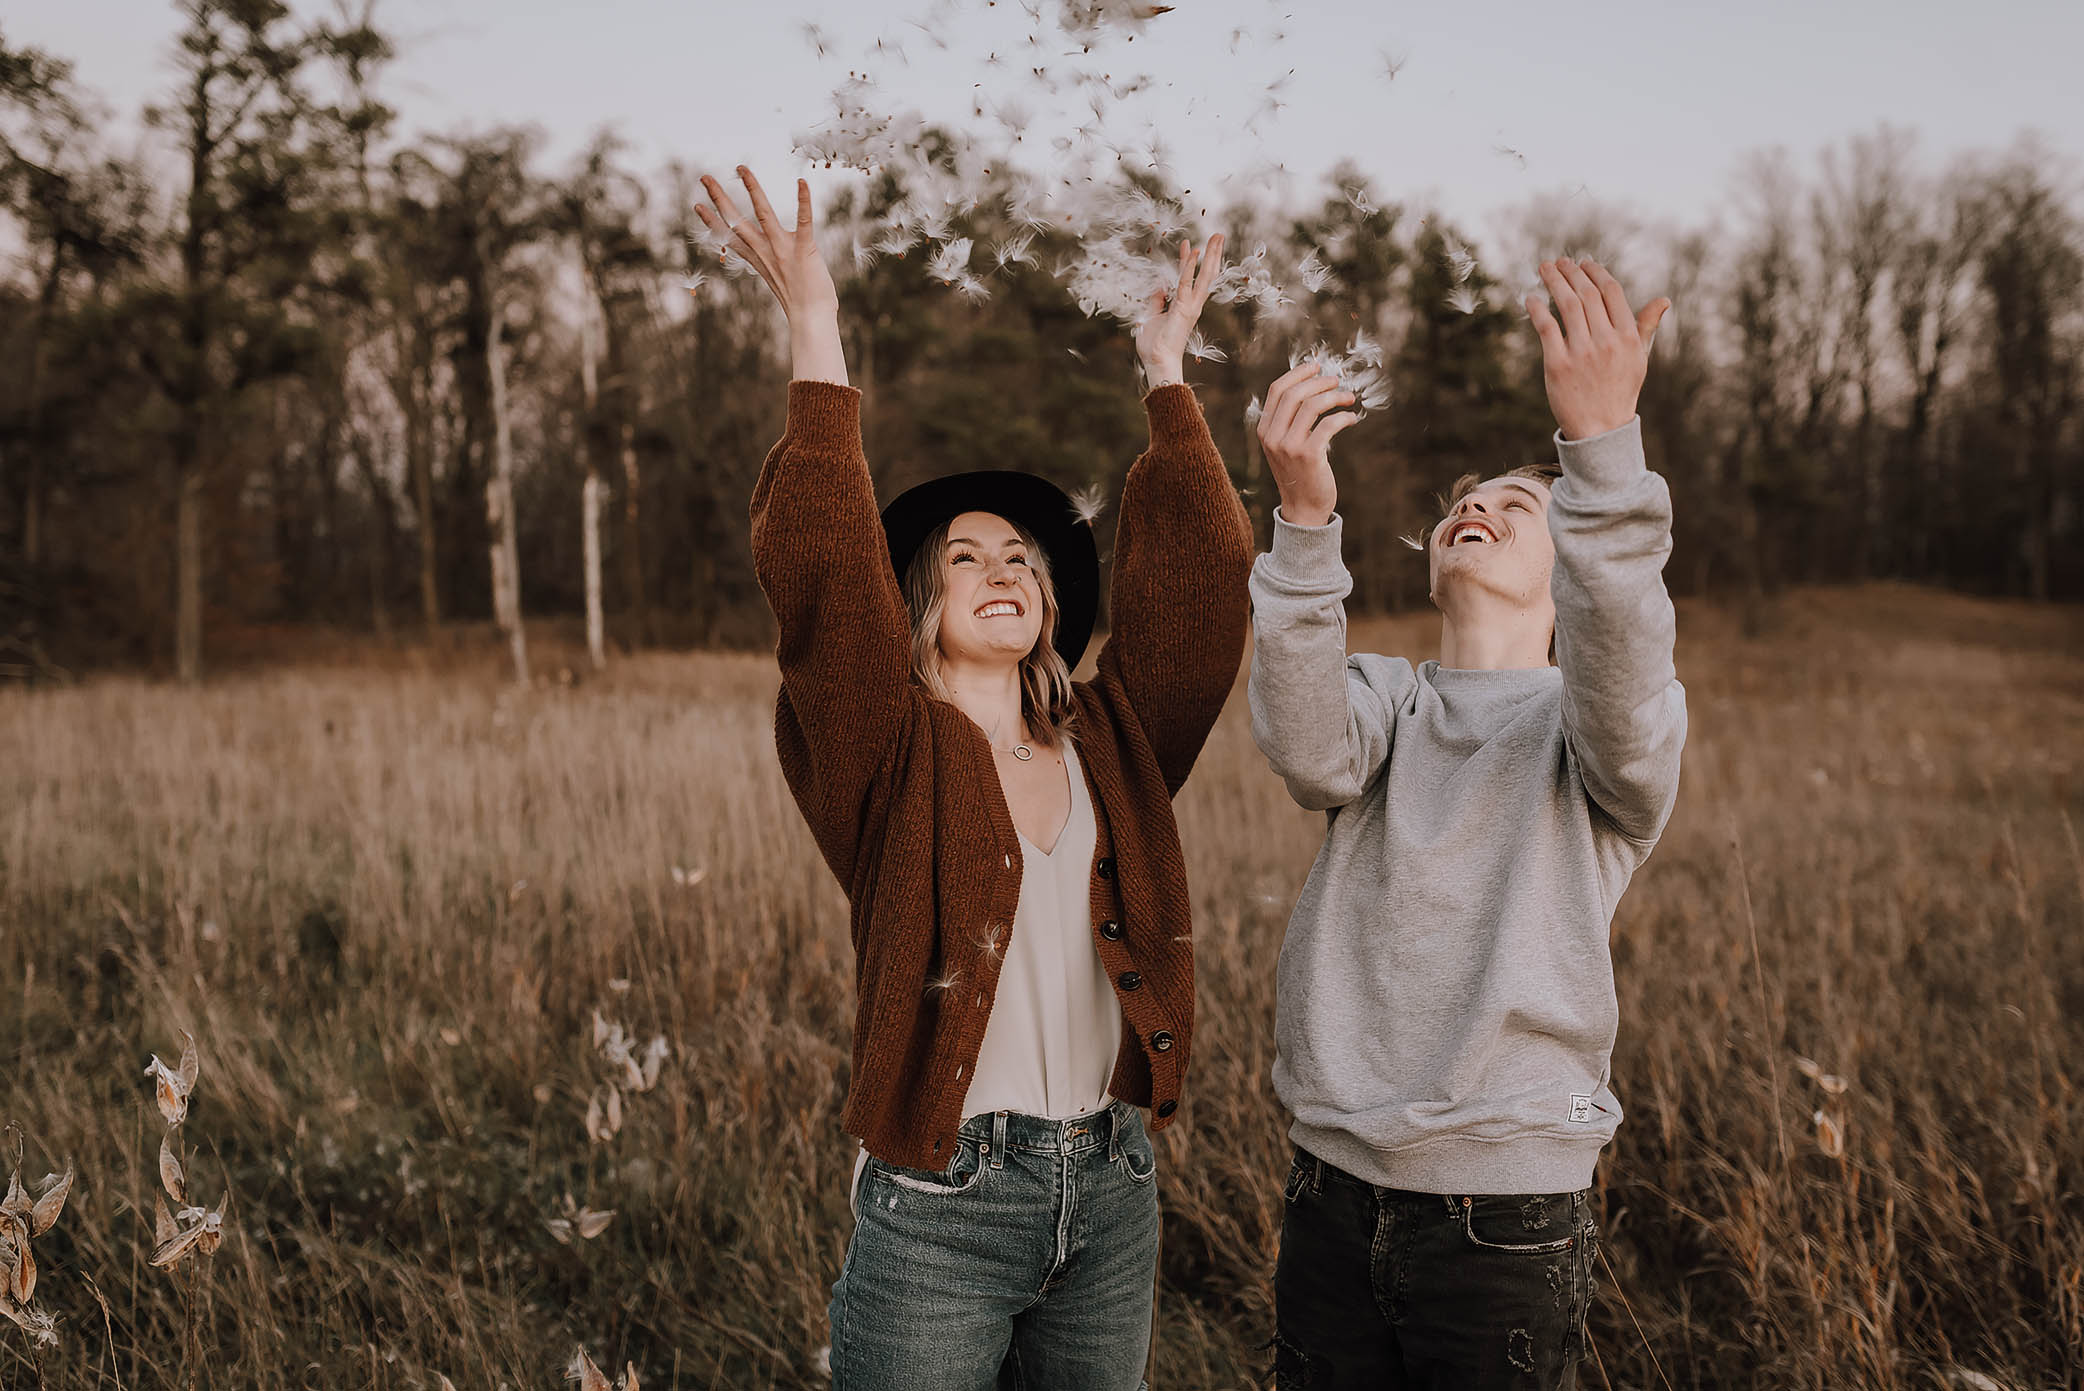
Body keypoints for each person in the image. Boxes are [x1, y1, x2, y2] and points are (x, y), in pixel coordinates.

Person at [697, 166, 1252, 1391]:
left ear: (1051, 600)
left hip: (1110, 1191)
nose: (1000, 566)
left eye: (1023, 556)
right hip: (942, 1201)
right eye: (963, 557)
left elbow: (1205, 590)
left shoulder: (1113, 740)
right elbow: (822, 582)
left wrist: (1168, 378)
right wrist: (814, 330)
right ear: (923, 603)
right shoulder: (881, 751)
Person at [1245, 256, 1685, 1389]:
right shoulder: (1386, 702)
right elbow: (1302, 747)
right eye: (1459, 501)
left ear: (1567, 566)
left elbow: (1621, 657)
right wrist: (1303, 517)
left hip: (1503, 1212)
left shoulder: (1591, 734)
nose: (1473, 504)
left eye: (1514, 502)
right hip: (1328, 1186)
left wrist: (1598, 452)